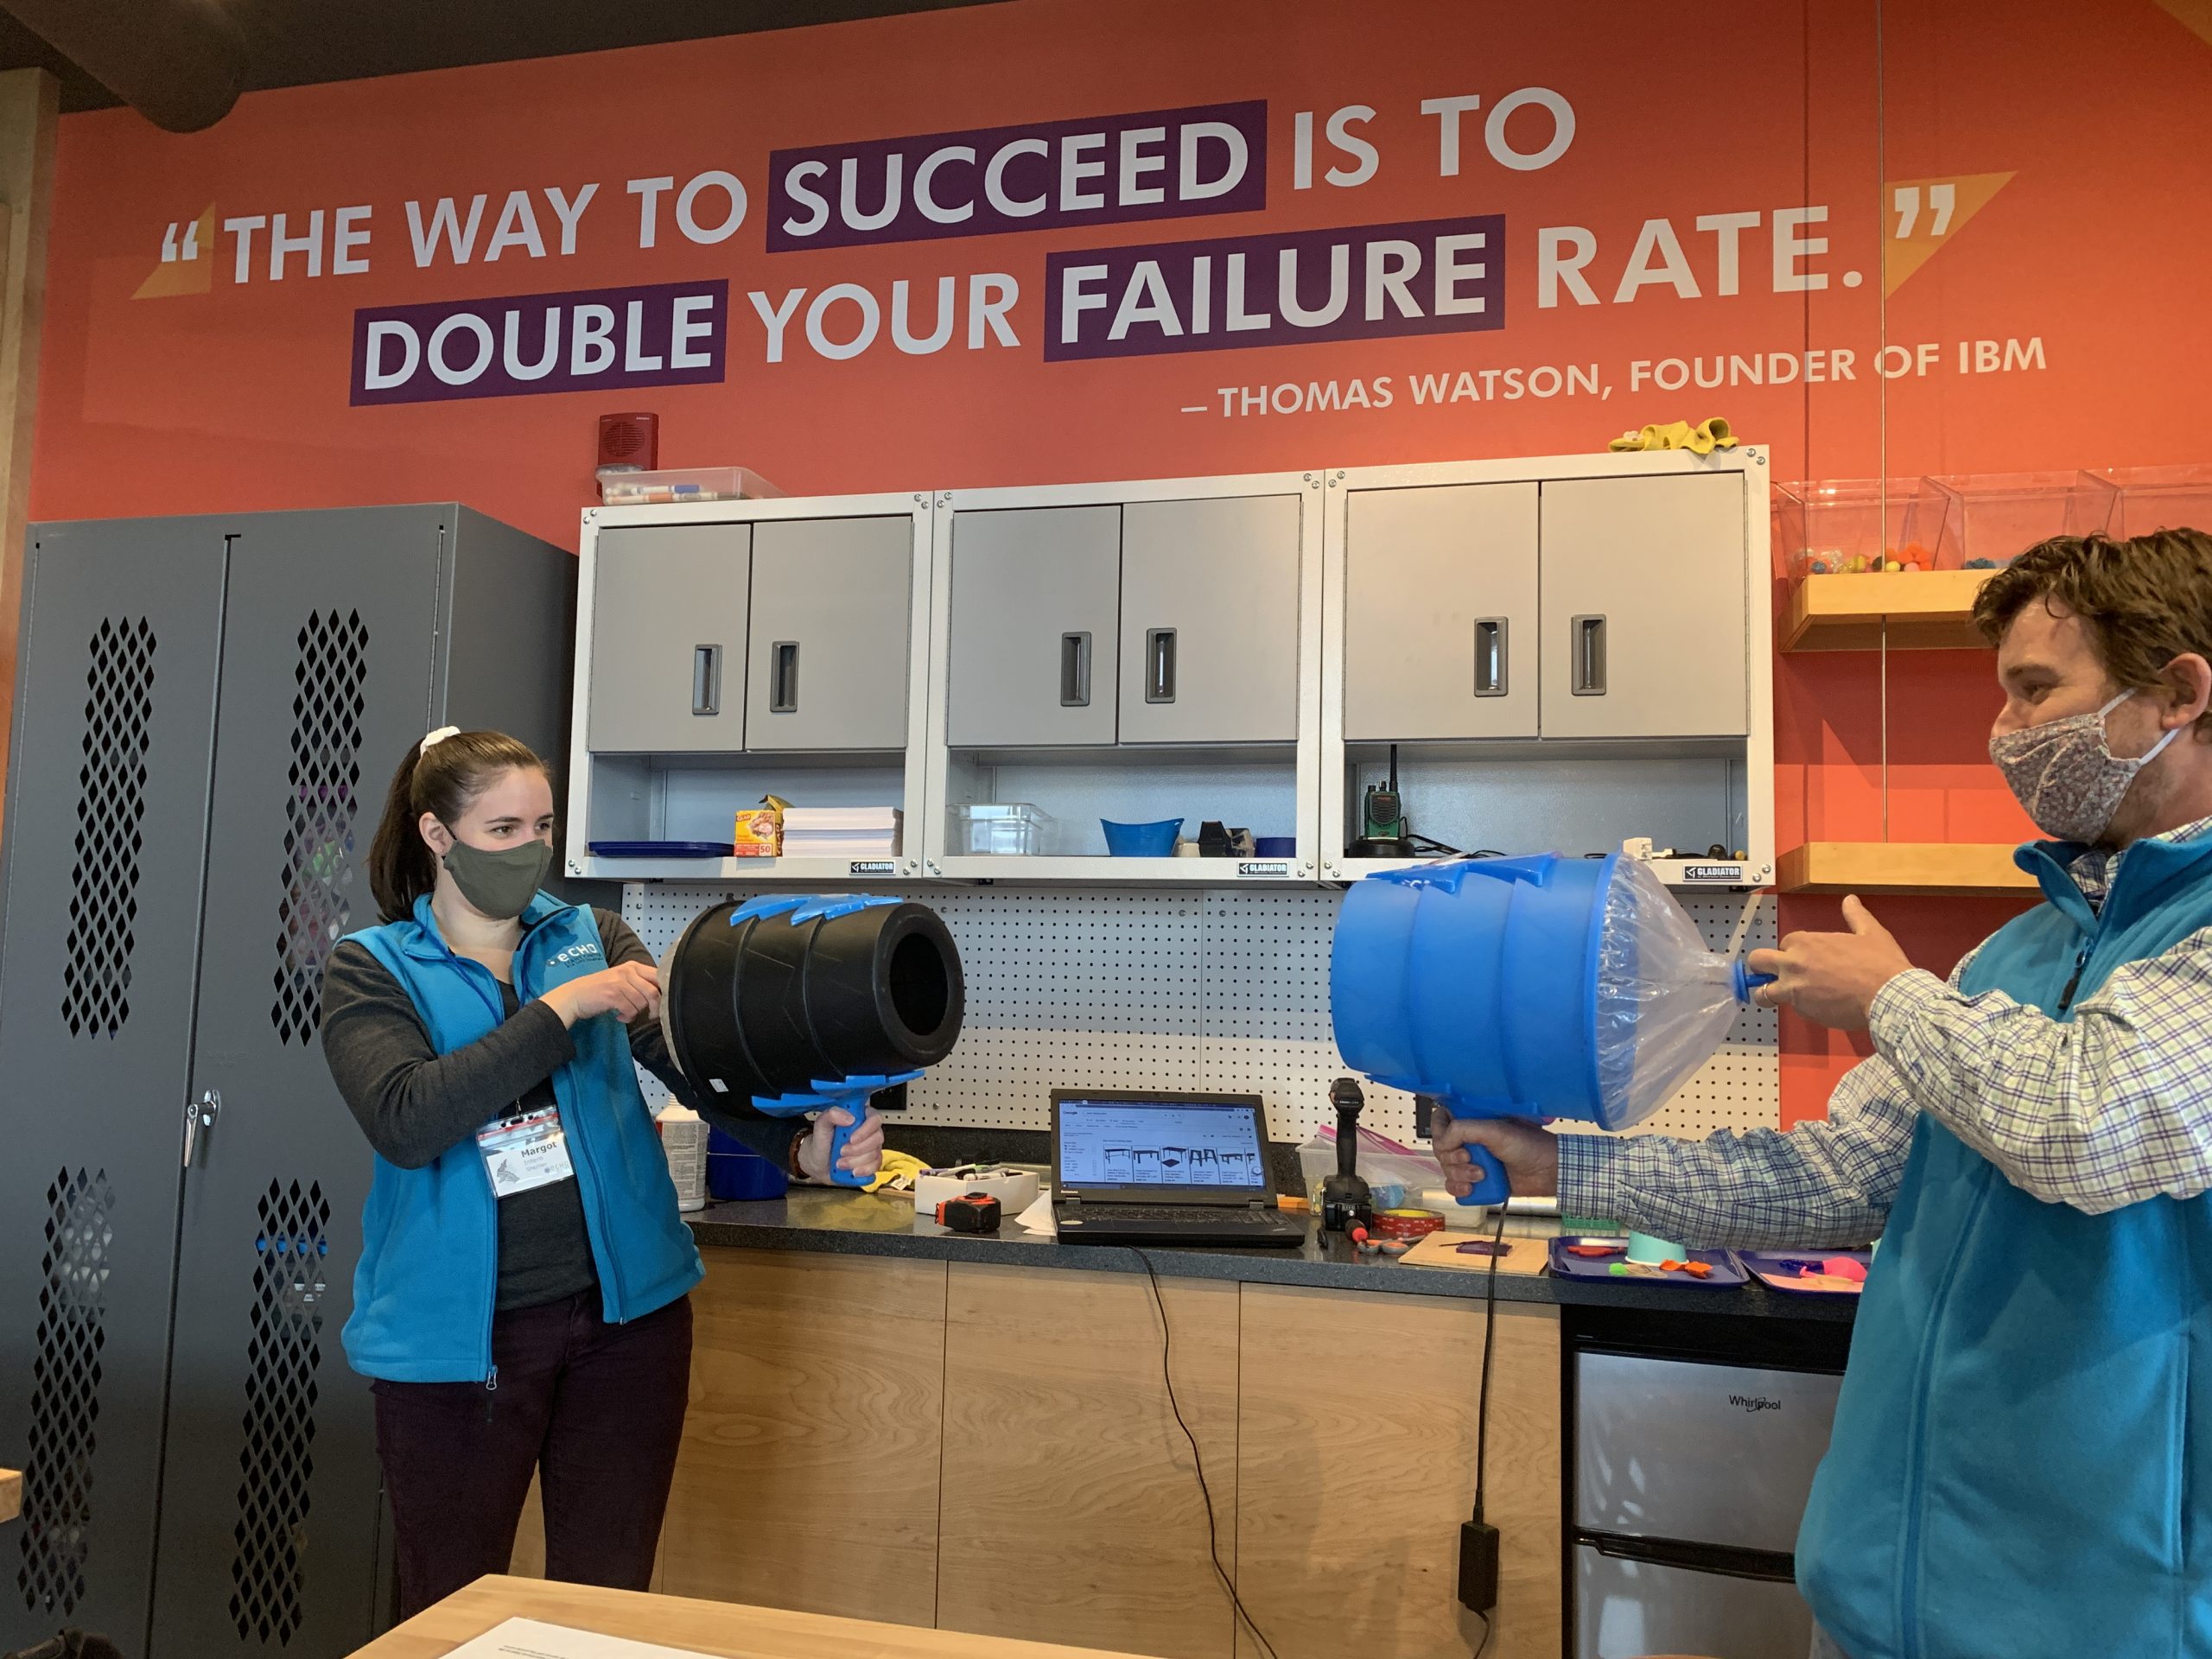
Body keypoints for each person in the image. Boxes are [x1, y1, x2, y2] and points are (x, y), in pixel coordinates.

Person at [1433, 529, 2212, 1659]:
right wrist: (1562, 1168)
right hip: (1879, 1598)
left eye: (2038, 690)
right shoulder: (2012, 956)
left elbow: (2088, 1124)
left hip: (2104, 1619)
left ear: (2178, 695)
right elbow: (1834, 1179)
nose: (2008, 733)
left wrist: (1889, 995)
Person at [319, 727, 887, 1618]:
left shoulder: (593, 936)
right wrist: (559, 1010)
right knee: (451, 1610)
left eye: (542, 826)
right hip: (459, 1344)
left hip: (628, 1328)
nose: (532, 849)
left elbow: (693, 1068)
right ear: (438, 835)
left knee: (609, 1604)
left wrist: (803, 1149)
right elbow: (408, 1119)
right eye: (503, 830)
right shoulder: (373, 967)